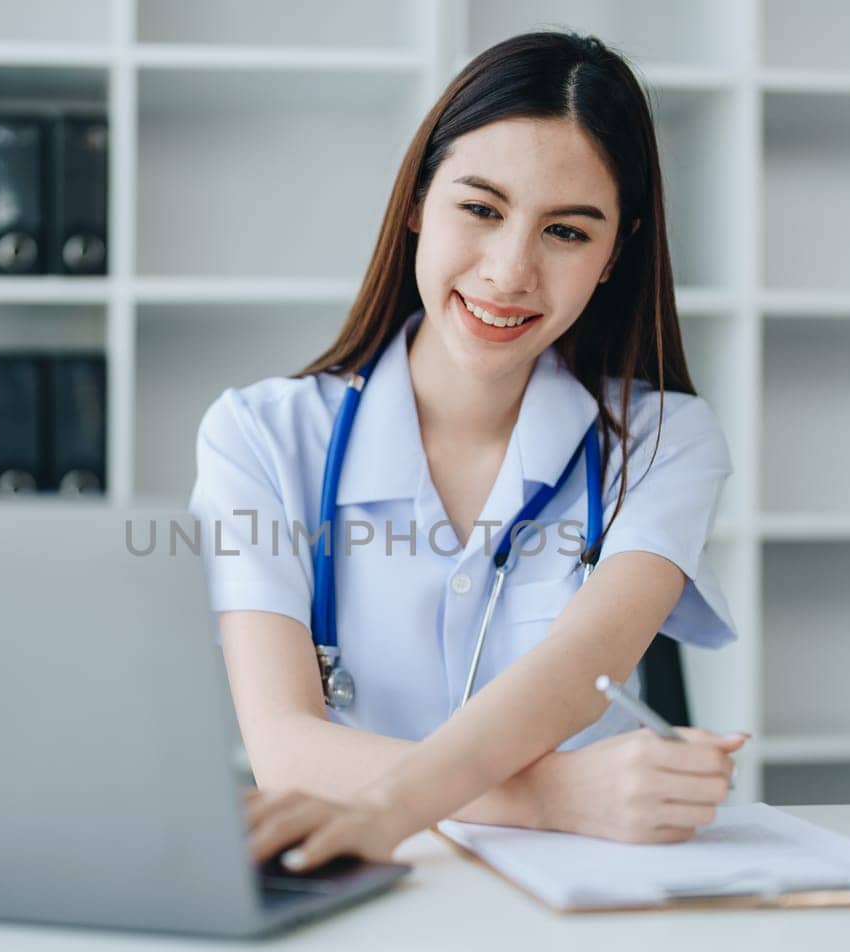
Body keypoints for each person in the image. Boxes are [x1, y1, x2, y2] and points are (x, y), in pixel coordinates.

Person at [187, 31, 746, 873]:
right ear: (417, 201)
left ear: (611, 257)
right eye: (481, 209)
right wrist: (564, 796)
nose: (510, 272)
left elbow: (581, 666)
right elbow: (287, 756)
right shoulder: (260, 438)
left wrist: (385, 801)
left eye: (566, 231)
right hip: (375, 889)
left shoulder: (662, 441)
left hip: (590, 901)